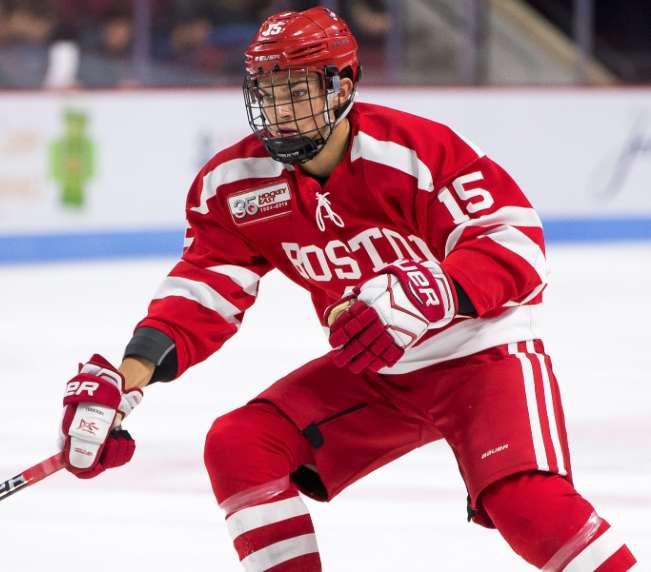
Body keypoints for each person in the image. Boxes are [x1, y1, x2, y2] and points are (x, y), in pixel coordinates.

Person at [57, 6, 638, 572]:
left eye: (298, 90)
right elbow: (202, 291)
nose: (280, 110)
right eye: (267, 91)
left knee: (526, 506)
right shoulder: (235, 185)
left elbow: (515, 239)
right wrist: (123, 379)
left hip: (481, 354)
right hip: (376, 370)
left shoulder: (412, 150)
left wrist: (437, 289)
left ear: (344, 86)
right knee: (241, 444)